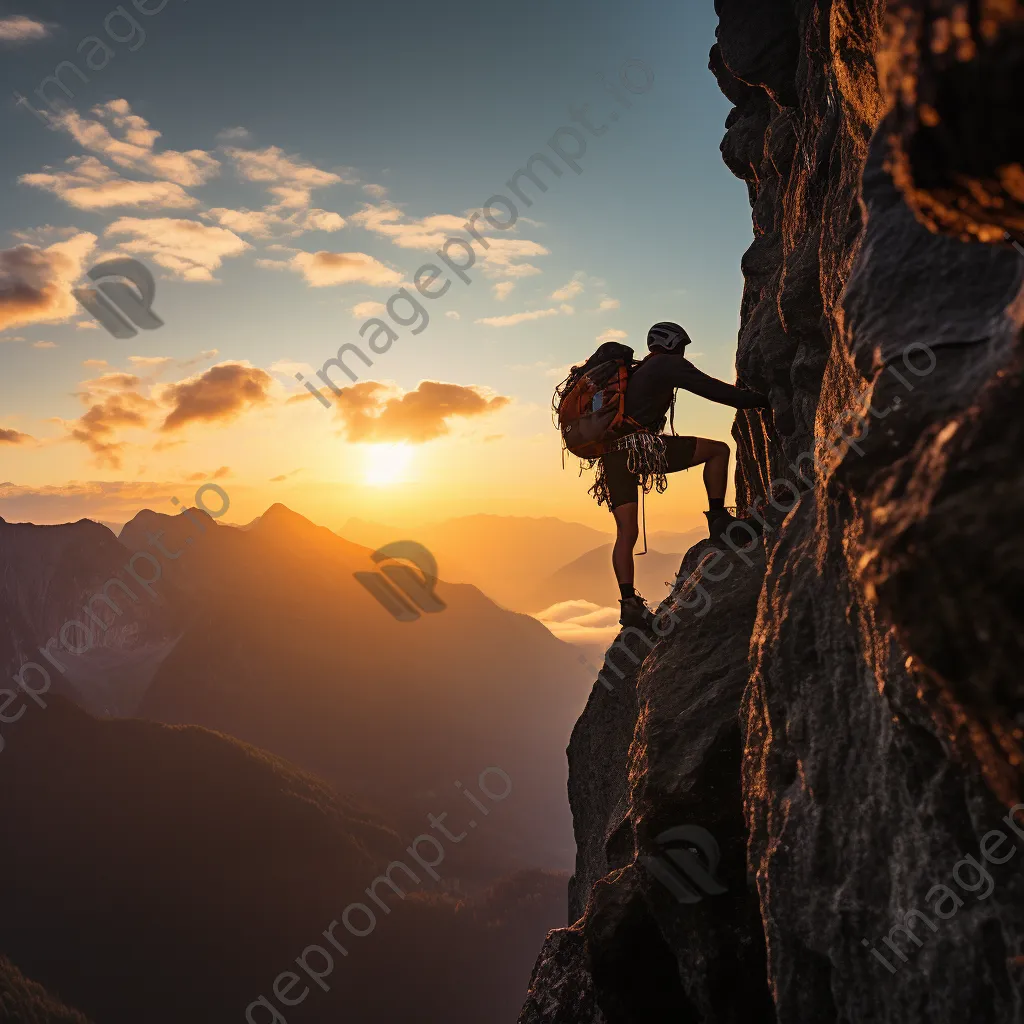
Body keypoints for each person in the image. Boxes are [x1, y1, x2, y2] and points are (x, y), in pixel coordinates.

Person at [598, 321, 771, 629]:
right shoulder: (668, 364)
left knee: (626, 533)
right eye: (682, 345)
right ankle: (719, 520)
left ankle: (629, 605)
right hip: (641, 448)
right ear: (674, 343)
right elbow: (713, 390)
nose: (683, 351)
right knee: (717, 451)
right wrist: (757, 399)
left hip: (613, 457)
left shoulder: (640, 370)